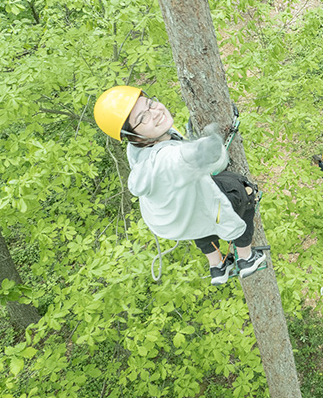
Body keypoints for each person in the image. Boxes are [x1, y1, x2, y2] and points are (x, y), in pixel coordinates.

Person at [94, 86, 268, 285]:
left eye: (150, 104)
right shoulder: (165, 159)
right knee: (241, 188)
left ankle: (217, 265)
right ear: (132, 136)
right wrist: (204, 148)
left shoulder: (138, 148)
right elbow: (176, 159)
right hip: (187, 211)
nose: (155, 112)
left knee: (197, 221)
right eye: (143, 117)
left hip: (172, 219)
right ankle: (246, 258)